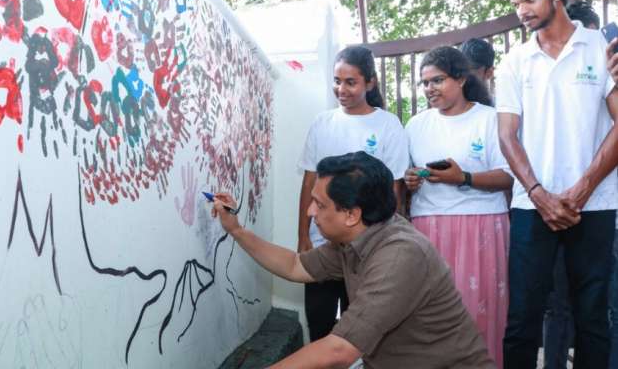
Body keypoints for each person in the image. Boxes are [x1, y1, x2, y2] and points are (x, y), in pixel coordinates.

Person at [211, 152, 495, 368]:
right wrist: (236, 230)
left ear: (351, 214)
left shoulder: (399, 255)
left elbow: (340, 350)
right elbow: (295, 266)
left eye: (320, 204)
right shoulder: (359, 236)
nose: (310, 211)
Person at [497, 0, 618, 368]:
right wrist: (538, 194)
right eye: (516, 5)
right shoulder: (514, 60)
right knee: (522, 319)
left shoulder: (600, 49)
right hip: (533, 207)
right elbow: (507, 136)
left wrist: (582, 189)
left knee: (593, 318)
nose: (522, 12)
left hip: (595, 203)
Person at [403, 46, 512, 366]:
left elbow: (508, 176)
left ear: (462, 78)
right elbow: (407, 175)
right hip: (428, 225)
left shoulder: (489, 119)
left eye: (437, 80)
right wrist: (413, 180)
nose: (429, 89)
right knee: (428, 313)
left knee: (480, 311)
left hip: (482, 226)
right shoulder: (416, 124)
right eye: (424, 83)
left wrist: (462, 177)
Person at [296, 46, 409, 342]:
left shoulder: (388, 125)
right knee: (319, 324)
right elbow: (309, 184)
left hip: (366, 249)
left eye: (350, 82)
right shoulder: (323, 123)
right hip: (323, 245)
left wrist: (382, 244)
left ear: (369, 83)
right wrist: (304, 236)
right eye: (336, 81)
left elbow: (393, 191)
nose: (341, 89)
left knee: (360, 334)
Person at [542, 0, 600, 369]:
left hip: (601, 208)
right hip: (550, 207)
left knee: (599, 305)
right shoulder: (540, 86)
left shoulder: (605, 76)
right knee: (558, 304)